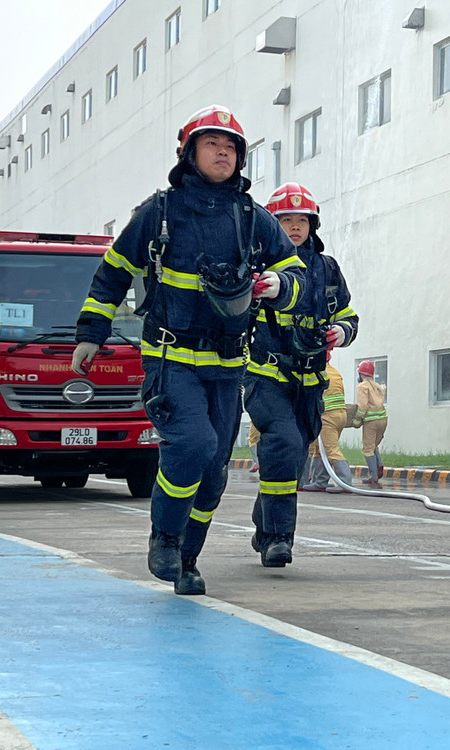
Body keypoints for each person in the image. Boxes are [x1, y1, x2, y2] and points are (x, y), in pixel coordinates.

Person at [72, 105, 305, 595]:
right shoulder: (159, 212)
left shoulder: (253, 218)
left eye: (230, 147)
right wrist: (92, 332)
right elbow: (114, 271)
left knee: (215, 470)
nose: (222, 153)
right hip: (170, 358)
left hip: (227, 364)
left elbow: (296, 272)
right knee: (193, 444)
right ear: (188, 153)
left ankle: (187, 558)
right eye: (211, 144)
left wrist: (279, 285)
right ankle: (164, 537)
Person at [245, 182, 358, 567]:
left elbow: (347, 315)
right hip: (266, 378)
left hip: (310, 384)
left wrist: (340, 331)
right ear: (272, 225)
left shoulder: (327, 269)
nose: (295, 227)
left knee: (292, 460)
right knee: (283, 442)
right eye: (286, 220)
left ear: (313, 225)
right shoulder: (258, 268)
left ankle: (265, 525)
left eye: (302, 220)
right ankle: (279, 540)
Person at [300, 362, 353, 493]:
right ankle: (320, 482)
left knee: (331, 449)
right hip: (340, 415)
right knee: (319, 448)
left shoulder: (317, 373)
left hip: (327, 416)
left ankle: (345, 482)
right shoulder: (335, 372)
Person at [353, 360, 388, 488]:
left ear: (361, 374)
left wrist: (357, 420)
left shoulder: (362, 387)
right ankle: (378, 464)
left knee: (368, 449)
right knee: (374, 445)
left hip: (371, 421)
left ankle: (373, 476)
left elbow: (362, 406)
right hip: (383, 419)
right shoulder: (378, 386)